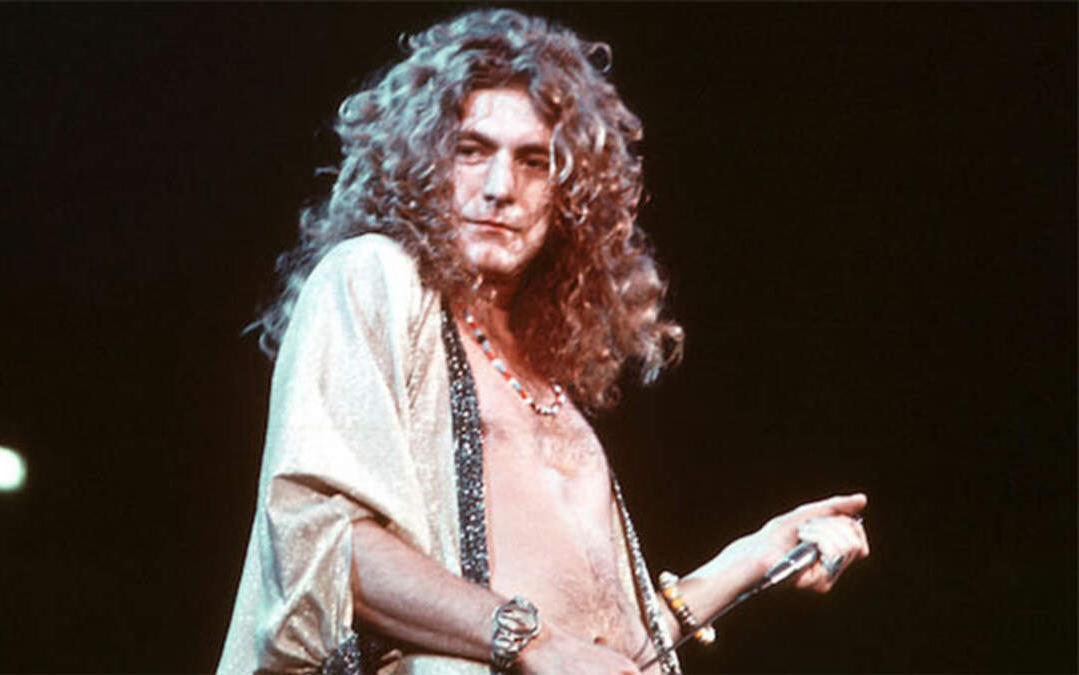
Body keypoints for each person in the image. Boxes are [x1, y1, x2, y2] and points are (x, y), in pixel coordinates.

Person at [218, 9, 869, 674]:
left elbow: (608, 651)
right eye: (471, 150)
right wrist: (533, 642)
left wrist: (753, 558)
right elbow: (322, 546)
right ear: (420, 164)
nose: (500, 188)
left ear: (569, 194)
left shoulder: (541, 370)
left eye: (533, 162)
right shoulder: (373, 276)